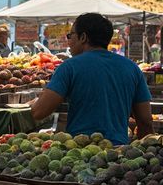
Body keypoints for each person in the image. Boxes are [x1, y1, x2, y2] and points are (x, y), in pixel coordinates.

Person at [30, 12, 152, 144]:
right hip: (118, 154)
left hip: (79, 154)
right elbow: (145, 120)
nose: (69, 41)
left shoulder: (69, 67)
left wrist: (37, 100)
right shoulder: (132, 68)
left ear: (83, 37)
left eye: (70, 36)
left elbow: (39, 112)